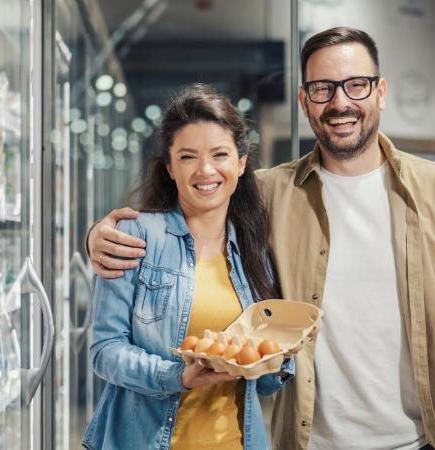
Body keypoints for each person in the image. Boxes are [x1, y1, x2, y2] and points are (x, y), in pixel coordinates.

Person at [86, 27, 435, 450]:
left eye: (356, 86)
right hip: (309, 439)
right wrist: (98, 237)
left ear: (381, 92)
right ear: (304, 100)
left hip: (422, 437)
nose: (340, 102)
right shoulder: (271, 192)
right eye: (323, 88)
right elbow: (197, 205)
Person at [82, 84, 293, 450]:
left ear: (241, 163)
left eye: (220, 154)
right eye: (188, 157)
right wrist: (178, 375)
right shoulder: (135, 237)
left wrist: (280, 357)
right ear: (169, 168)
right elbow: (105, 350)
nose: (206, 170)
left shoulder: (254, 249)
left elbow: (264, 384)